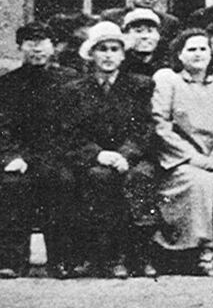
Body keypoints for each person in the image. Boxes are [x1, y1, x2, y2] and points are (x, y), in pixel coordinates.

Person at [56, 22, 159, 280]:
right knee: (99, 177)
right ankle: (111, 257)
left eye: (115, 49)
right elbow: (70, 133)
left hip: (132, 157)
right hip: (94, 158)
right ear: (91, 54)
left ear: (123, 55)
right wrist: (98, 154)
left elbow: (145, 128)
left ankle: (141, 255)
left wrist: (126, 154)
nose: (109, 55)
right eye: (102, 49)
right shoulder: (74, 90)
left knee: (141, 177)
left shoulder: (140, 86)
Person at [152, 29, 213, 276]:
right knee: (200, 182)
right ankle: (204, 249)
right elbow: (161, 125)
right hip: (181, 158)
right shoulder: (168, 80)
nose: (198, 54)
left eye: (203, 48)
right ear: (179, 55)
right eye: (191, 49)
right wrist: (195, 159)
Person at [0, 22, 77, 278]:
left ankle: (62, 259)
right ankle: (11, 260)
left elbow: (75, 125)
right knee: (12, 184)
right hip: (21, 157)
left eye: (43, 42)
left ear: (53, 46)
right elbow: (3, 127)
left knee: (62, 180)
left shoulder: (70, 80)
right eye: (30, 42)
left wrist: (59, 155)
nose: (37, 48)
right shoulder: (7, 84)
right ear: (19, 47)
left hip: (58, 155)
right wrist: (11, 156)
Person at [120, 8, 167, 79]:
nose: (145, 36)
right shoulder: (120, 64)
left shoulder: (166, 63)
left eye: (150, 31)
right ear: (125, 35)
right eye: (138, 31)